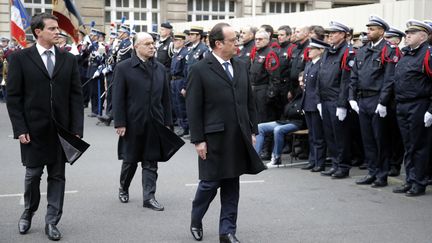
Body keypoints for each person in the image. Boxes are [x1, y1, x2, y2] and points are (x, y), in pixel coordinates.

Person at [186, 22, 266, 243]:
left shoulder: (241, 65)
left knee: (232, 183)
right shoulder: (199, 69)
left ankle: (227, 231)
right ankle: (196, 218)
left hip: (238, 135)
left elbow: (248, 101)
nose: (237, 44)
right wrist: (198, 140)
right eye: (233, 40)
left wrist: (252, 129)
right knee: (210, 184)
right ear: (219, 43)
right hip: (214, 138)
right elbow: (193, 108)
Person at [6, 12, 84, 241]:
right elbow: (14, 97)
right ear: (38, 32)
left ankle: (52, 221)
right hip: (33, 131)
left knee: (58, 176)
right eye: (52, 28)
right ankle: (28, 212)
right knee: (33, 175)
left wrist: (76, 128)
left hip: (61, 131)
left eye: (57, 28)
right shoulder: (20, 59)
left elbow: (76, 97)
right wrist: (20, 129)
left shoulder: (68, 59)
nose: (57, 31)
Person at [112, 32, 172, 210]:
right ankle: (124, 187)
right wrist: (120, 122)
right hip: (133, 123)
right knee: (130, 160)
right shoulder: (124, 67)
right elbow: (118, 97)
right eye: (147, 44)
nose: (152, 46)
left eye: (153, 43)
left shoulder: (160, 68)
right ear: (136, 46)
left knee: (151, 161)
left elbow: (166, 98)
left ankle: (149, 197)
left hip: (155, 122)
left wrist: (167, 122)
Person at [349, 16, 399, 188]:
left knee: (381, 140)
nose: (368, 31)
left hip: (378, 99)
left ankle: (382, 174)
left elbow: (389, 78)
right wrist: (351, 98)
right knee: (368, 139)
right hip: (363, 99)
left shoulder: (388, 50)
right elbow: (354, 76)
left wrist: (383, 102)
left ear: (382, 31)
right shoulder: (362, 50)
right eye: (368, 28)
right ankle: (372, 172)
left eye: (372, 29)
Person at [392, 20, 432, 196]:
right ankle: (410, 179)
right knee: (408, 145)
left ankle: (419, 182)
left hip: (419, 104)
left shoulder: (428, 54)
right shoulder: (406, 54)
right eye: (407, 32)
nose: (407, 35)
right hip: (403, 104)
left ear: (423, 36)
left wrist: (430, 109)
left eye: (412, 33)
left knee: (419, 146)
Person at [317, 21, 355, 179]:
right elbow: (321, 76)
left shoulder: (348, 52)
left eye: (334, 33)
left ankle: (343, 166)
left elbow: (346, 81)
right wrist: (319, 99)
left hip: (336, 100)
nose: (330, 35)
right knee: (330, 135)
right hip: (325, 99)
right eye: (329, 33)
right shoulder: (327, 51)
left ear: (343, 35)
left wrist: (342, 104)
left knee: (341, 136)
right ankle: (335, 164)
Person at [255, 87, 305, 167]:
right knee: (260, 127)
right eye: (300, 81)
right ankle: (255, 158)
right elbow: (287, 111)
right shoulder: (295, 93)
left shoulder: (307, 93)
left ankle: (276, 157)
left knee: (278, 130)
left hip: (298, 122)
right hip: (286, 121)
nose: (301, 83)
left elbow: (297, 112)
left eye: (302, 81)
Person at [300, 38, 330, 171]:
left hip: (316, 103)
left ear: (320, 51)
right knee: (312, 135)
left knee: (318, 136)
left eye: (312, 49)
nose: (309, 51)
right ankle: (312, 160)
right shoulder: (309, 64)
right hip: (307, 103)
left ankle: (319, 162)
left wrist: (318, 103)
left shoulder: (322, 65)